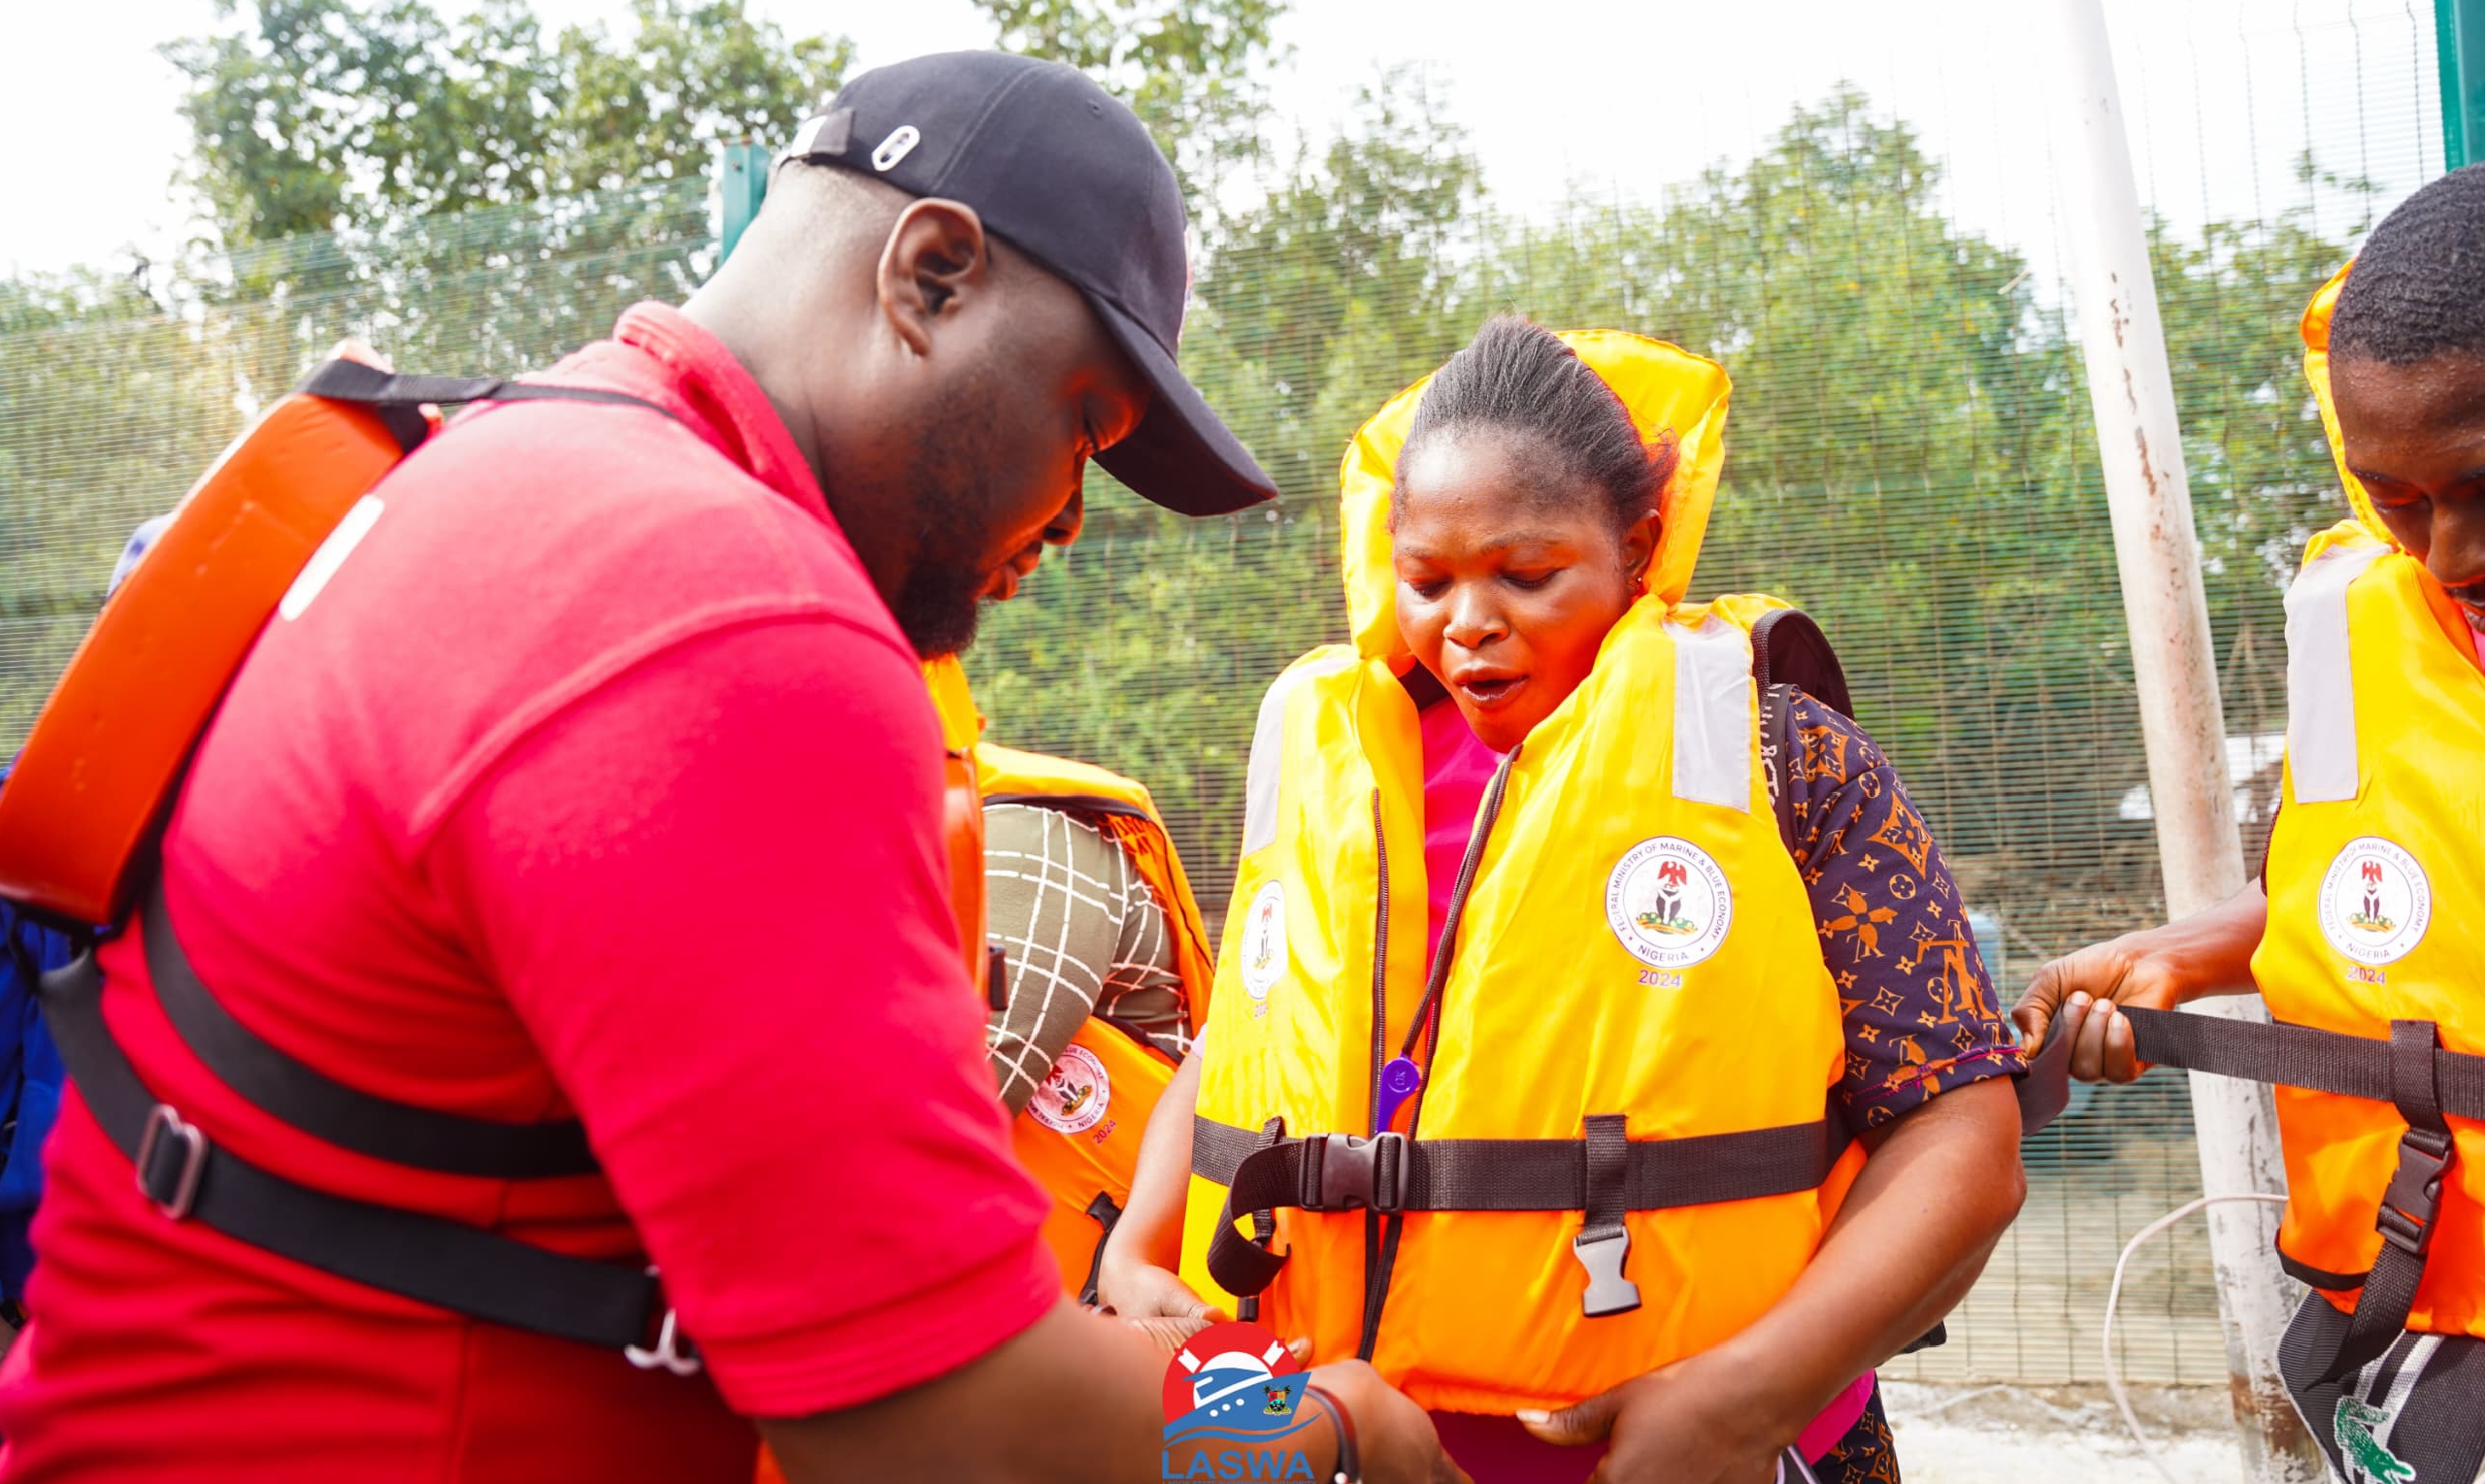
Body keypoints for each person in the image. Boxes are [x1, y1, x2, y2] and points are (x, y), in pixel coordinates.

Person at [0, 52, 1458, 1484]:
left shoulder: (514, 464)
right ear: (931, 275)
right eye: (1084, 425)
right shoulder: (726, 615)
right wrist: (1327, 1433)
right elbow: (940, 1431)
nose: (1074, 516)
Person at [1101, 318, 2029, 1483]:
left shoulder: (1785, 758)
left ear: (1635, 546)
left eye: (1525, 575)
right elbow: (1245, 1037)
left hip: (1720, 1448)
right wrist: (1133, 1252)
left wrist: (1747, 1397)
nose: (1467, 622)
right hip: (1343, 1441)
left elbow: (1962, 1132)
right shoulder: (1331, 770)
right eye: (1426, 581)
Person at [2013, 165, 2485, 1479]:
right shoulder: (2366, 627)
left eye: (2480, 484)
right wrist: (2170, 959)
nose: (2447, 553)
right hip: (2421, 1304)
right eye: (2395, 499)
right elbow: (2359, 906)